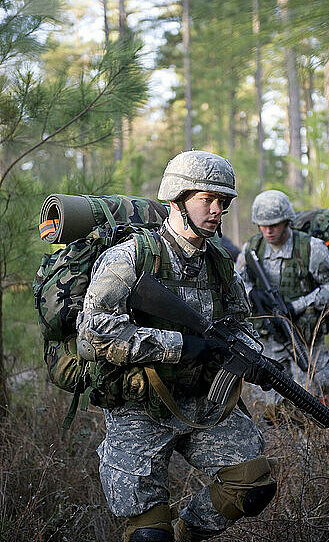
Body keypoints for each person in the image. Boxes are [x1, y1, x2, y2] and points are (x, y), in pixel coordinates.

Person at [76, 150, 277, 542]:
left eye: (223, 202)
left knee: (254, 482)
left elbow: (240, 325)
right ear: (177, 198)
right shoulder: (131, 258)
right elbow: (91, 335)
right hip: (139, 410)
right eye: (207, 199)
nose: (217, 210)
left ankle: (186, 531)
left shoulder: (219, 264)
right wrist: (179, 346)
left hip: (200, 401)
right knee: (149, 535)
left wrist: (247, 359)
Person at [236, 190, 329, 410]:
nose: (268, 230)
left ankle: (307, 441)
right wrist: (251, 293)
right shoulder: (252, 249)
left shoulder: (310, 248)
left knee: (311, 393)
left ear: (287, 221)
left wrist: (297, 306)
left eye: (275, 224)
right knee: (270, 404)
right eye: (263, 224)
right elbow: (236, 285)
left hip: (303, 338)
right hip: (268, 339)